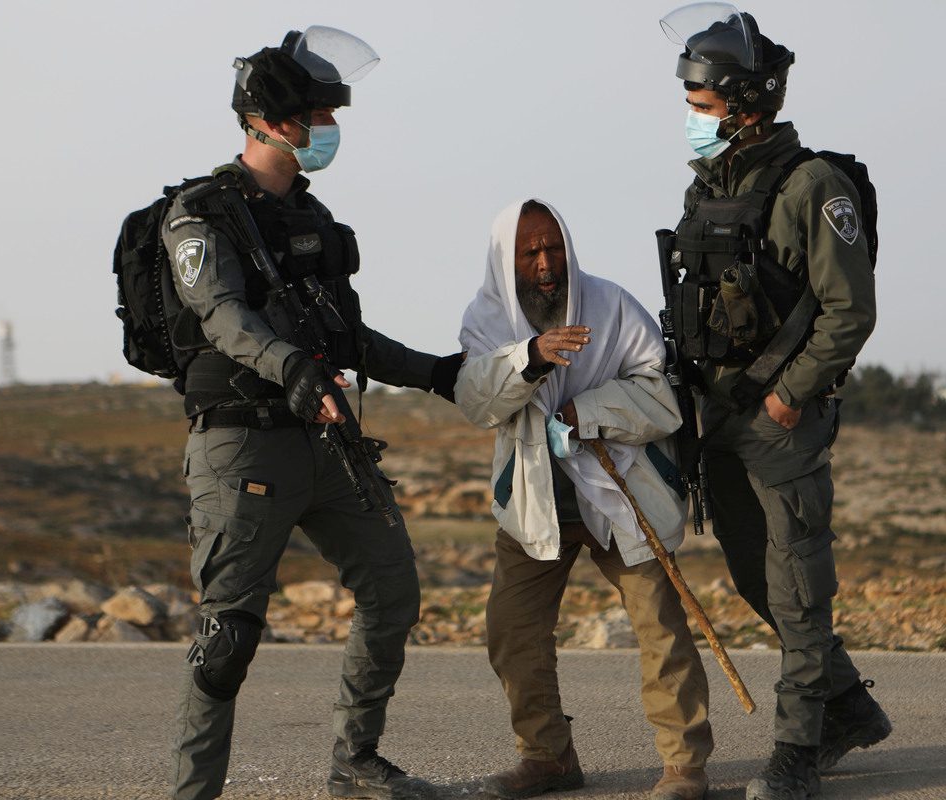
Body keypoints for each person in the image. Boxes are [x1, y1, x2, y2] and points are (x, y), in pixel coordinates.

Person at [162, 26, 461, 800]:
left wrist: (436, 373)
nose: (329, 129)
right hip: (243, 445)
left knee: (392, 590)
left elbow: (348, 336)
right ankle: (191, 793)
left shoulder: (314, 219)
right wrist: (290, 368)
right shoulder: (200, 215)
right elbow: (224, 316)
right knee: (228, 635)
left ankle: (354, 764)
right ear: (270, 121)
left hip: (326, 440)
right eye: (318, 115)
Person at [658, 5, 892, 800]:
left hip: (781, 423)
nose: (693, 120)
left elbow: (848, 311)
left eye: (702, 106)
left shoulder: (813, 186)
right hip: (717, 418)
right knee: (757, 579)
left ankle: (798, 748)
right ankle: (850, 706)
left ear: (746, 105)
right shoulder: (707, 191)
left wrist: (791, 398)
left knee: (797, 586)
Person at [455, 200, 714, 800]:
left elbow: (661, 395)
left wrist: (587, 413)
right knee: (512, 631)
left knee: (660, 627)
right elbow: (475, 399)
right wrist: (531, 357)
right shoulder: (486, 318)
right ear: (506, 259)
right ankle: (547, 758)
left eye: (554, 247)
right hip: (533, 502)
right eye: (531, 252)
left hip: (618, 495)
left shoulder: (612, 305)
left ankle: (684, 767)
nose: (547, 263)